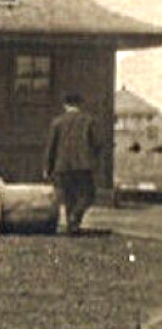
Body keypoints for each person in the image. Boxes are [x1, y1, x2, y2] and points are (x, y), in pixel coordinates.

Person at [44, 92, 101, 235]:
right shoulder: (89, 121)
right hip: (83, 165)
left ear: (65, 105)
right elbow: (97, 144)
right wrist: (93, 158)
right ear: (80, 104)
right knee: (88, 195)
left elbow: (51, 147)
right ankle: (75, 218)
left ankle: (72, 225)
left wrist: (47, 168)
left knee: (69, 196)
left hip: (62, 166)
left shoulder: (57, 122)